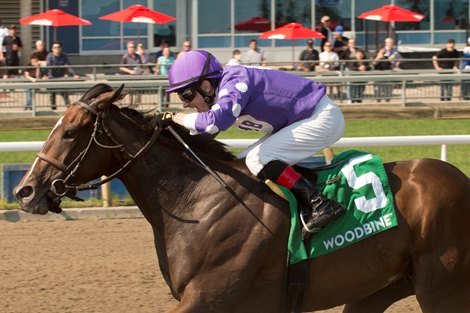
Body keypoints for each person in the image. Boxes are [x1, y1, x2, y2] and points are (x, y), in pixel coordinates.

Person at [158, 50, 346, 234]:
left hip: (322, 117)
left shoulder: (236, 81)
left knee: (258, 159)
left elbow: (214, 123)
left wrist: (176, 117)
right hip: (304, 119)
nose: (185, 104)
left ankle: (320, 203)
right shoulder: (225, 90)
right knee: (244, 161)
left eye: (186, 95)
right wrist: (170, 134)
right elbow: (206, 134)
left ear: (206, 86)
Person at [46, 41, 79, 110]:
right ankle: (53, 109)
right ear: (52, 49)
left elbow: (68, 66)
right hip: (52, 77)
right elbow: (48, 67)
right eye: (55, 47)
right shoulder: (49, 56)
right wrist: (48, 76)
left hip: (61, 77)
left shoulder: (64, 56)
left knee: (64, 92)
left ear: (61, 48)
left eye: (58, 47)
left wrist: (74, 74)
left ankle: (69, 108)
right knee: (52, 94)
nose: (57, 49)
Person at [372, 37, 402, 102]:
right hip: (379, 72)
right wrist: (379, 56)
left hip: (389, 71)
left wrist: (396, 64)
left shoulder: (395, 51)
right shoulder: (379, 50)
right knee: (378, 88)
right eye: (389, 42)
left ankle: (388, 99)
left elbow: (399, 59)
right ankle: (378, 99)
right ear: (386, 43)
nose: (390, 44)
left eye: (391, 42)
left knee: (388, 88)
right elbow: (373, 62)